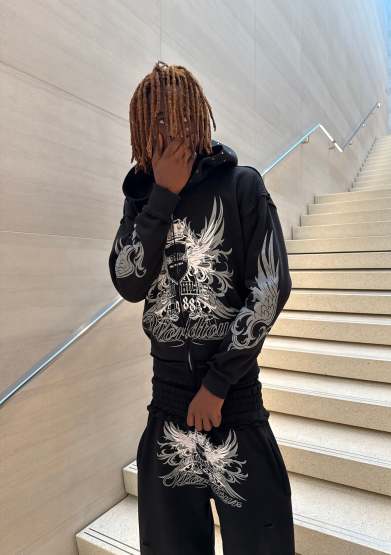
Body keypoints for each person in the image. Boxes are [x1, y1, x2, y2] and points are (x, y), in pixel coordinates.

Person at [108, 60, 295, 555]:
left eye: (174, 116)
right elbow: (129, 282)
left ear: (196, 115)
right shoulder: (139, 201)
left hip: (235, 405)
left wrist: (217, 383)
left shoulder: (242, 185)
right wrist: (162, 197)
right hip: (167, 408)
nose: (165, 131)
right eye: (154, 121)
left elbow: (270, 287)